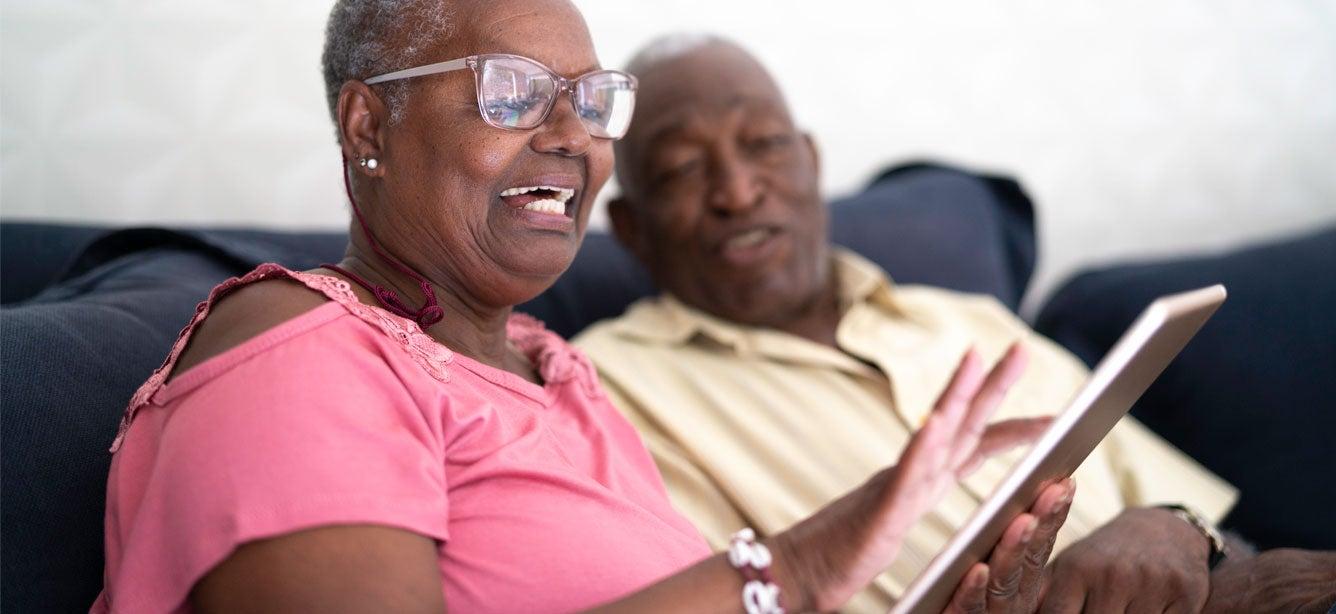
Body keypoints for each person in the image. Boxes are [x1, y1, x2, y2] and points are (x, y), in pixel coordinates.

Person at [92, 2, 1079, 613]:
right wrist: (791, 564)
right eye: (514, 92)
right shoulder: (302, 353)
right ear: (368, 124)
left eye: (590, 99)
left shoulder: (556, 371)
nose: (573, 137)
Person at [574, 34, 1336, 614]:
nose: (738, 192)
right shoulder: (607, 391)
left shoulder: (966, 319)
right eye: (681, 169)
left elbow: (1227, 534)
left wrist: (1175, 529)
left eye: (765, 145)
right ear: (634, 229)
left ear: (809, 164)